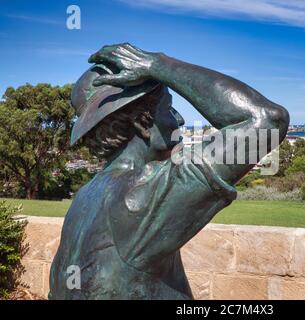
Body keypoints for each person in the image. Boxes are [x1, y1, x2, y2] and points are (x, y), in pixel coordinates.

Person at [49, 43, 289, 299]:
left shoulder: (86, 196)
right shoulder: (141, 194)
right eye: (169, 108)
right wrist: (158, 65)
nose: (181, 119)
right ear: (143, 122)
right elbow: (267, 120)